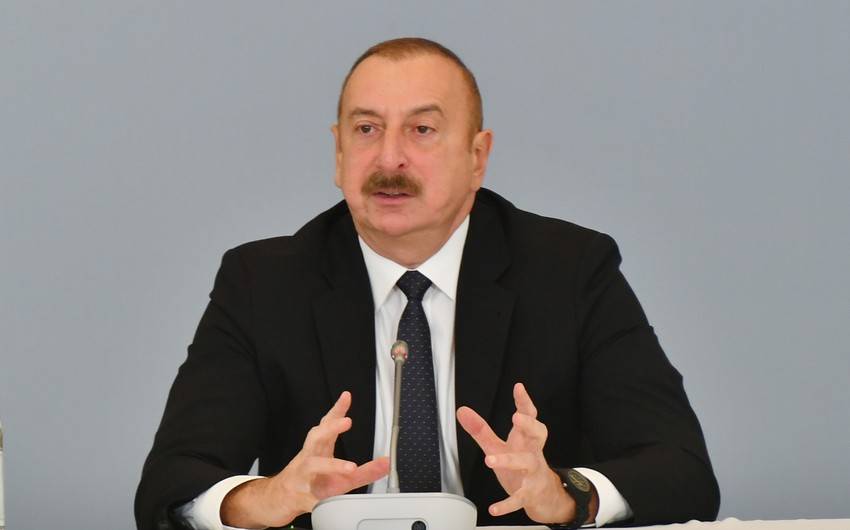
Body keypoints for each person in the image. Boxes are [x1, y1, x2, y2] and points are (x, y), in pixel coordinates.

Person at [135, 37, 719, 530]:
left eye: (421, 129)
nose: (390, 159)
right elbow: (170, 485)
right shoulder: (263, 283)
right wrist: (267, 498)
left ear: (477, 156)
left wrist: (565, 495)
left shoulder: (570, 271)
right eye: (367, 129)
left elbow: (682, 471)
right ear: (338, 152)